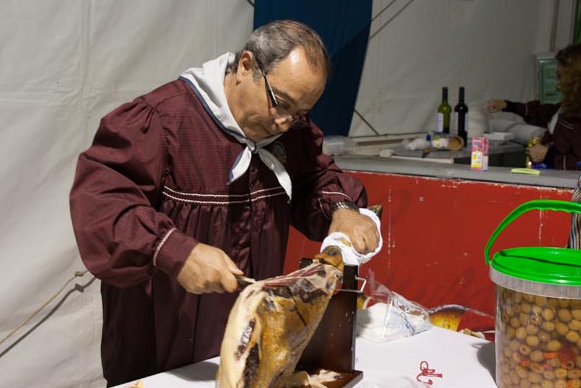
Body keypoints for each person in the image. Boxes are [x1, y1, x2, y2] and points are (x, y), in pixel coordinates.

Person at [69, 19, 381, 386]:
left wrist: (341, 209)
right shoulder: (162, 121)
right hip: (161, 351)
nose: (285, 123)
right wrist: (173, 249)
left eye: (300, 113)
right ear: (246, 66)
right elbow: (102, 204)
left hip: (248, 348)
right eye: (280, 103)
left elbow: (315, 178)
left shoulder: (288, 130)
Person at [487, 42, 581, 170]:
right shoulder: (571, 105)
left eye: (560, 76)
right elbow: (544, 112)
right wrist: (508, 105)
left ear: (576, 76)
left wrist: (547, 155)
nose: (559, 82)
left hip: (568, 182)